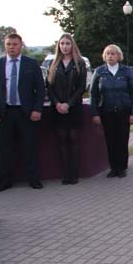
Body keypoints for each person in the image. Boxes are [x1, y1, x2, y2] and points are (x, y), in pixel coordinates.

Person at [0, 32, 45, 191]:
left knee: (30, 146)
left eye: (15, 44)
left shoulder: (31, 64)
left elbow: (40, 89)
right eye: (8, 44)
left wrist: (37, 109)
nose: (11, 47)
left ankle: (34, 179)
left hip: (26, 112)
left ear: (21, 45)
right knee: (5, 148)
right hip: (4, 113)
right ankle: (5, 181)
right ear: (5, 46)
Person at [91, 44, 133, 178]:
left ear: (119, 56)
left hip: (124, 111)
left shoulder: (127, 71)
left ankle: (122, 167)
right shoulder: (99, 72)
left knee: (122, 140)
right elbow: (93, 94)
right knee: (110, 140)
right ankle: (113, 167)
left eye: (113, 54)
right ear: (104, 56)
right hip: (107, 111)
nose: (110, 56)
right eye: (108, 54)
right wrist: (94, 113)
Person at [46, 33, 88, 184]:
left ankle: (74, 174)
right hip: (57, 108)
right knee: (62, 140)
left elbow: (82, 87)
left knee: (73, 139)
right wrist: (57, 104)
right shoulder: (53, 63)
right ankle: (66, 174)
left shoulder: (80, 63)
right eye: (62, 44)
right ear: (59, 46)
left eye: (67, 44)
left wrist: (68, 104)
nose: (65, 46)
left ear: (72, 45)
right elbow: (49, 87)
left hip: (73, 107)